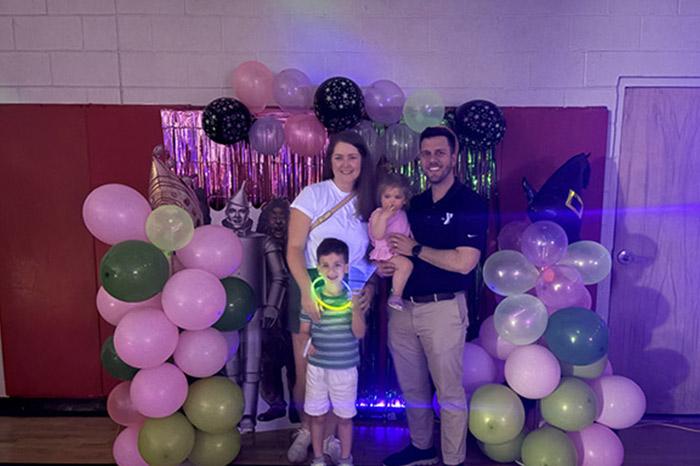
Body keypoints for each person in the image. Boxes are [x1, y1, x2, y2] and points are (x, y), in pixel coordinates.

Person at [378, 126, 488, 466]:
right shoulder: (416, 204)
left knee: (449, 390)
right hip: (403, 308)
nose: (432, 159)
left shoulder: (471, 203)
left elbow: (464, 262)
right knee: (412, 388)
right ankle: (422, 447)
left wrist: (416, 249)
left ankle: (453, 460)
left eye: (440, 152)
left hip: (443, 308)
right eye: (426, 154)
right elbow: (394, 247)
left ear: (454, 157)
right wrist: (386, 266)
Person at [286, 131, 377, 464]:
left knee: (341, 367)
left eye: (352, 157)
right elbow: (294, 248)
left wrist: (369, 289)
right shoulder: (313, 194)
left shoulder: (371, 202)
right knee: (307, 369)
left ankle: (332, 439)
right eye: (339, 157)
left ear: (363, 160)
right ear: (330, 161)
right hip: (310, 284)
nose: (345, 164)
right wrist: (306, 292)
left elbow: (375, 256)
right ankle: (306, 430)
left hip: (350, 290)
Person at [300, 238, 367, 466]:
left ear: (346, 267)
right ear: (318, 268)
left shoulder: (352, 298)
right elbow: (303, 332)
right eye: (326, 265)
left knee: (345, 418)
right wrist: (309, 345)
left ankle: (346, 459)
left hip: (345, 368)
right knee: (317, 416)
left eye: (337, 265)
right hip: (317, 367)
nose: (331, 271)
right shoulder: (312, 299)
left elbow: (359, 333)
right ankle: (318, 458)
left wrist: (355, 308)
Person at [256, 198, 298, 423]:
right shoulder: (260, 244)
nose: (280, 222)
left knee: (295, 359)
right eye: (275, 217)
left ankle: (297, 405)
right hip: (268, 307)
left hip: (293, 307)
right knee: (268, 361)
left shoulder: (298, 244)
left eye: (283, 217)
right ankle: (276, 404)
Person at [368, 173, 413, 311]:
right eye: (387, 197)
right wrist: (384, 218)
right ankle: (396, 295)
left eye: (397, 197)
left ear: (404, 200)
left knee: (404, 266)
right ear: (380, 198)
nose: (391, 201)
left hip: (398, 251)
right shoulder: (378, 213)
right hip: (385, 252)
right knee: (406, 265)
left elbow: (407, 230)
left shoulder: (402, 214)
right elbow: (377, 234)